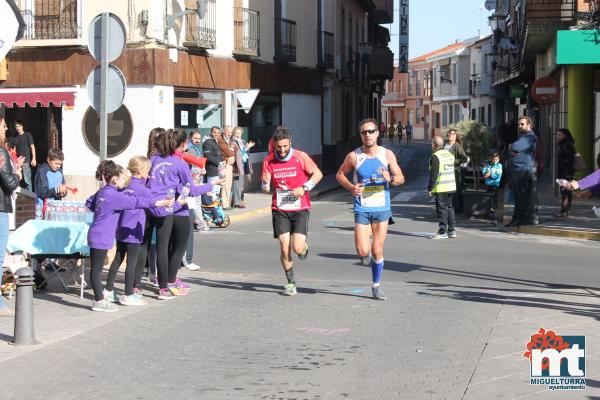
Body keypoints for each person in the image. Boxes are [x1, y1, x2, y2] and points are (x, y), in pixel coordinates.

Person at [86, 160, 172, 312]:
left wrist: (104, 214)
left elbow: (89, 203)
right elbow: (135, 201)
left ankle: (102, 296)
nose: (125, 180)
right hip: (101, 236)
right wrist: (158, 203)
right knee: (97, 271)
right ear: (114, 179)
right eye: (122, 177)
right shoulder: (113, 195)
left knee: (97, 269)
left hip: (97, 233)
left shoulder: (103, 191)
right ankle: (99, 301)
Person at [336, 118, 405, 300]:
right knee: (363, 251)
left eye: (371, 131)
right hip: (362, 208)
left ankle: (376, 286)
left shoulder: (387, 154)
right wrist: (351, 187)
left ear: (377, 133)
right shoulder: (354, 156)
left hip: (382, 208)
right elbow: (340, 174)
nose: (367, 135)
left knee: (377, 250)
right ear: (360, 135)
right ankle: (365, 255)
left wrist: (389, 178)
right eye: (364, 132)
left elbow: (400, 179)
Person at [147, 129, 216, 300]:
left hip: (153, 206)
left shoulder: (153, 159)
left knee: (160, 247)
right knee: (176, 247)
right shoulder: (179, 163)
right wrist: (211, 185)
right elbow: (191, 190)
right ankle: (167, 285)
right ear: (184, 143)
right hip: (173, 207)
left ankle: (164, 284)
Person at [262, 126, 323, 296]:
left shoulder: (300, 157)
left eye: (285, 146)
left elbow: (318, 174)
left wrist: (304, 188)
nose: (282, 150)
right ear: (274, 145)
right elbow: (265, 186)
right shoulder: (269, 160)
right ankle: (290, 282)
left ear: (290, 143)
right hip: (280, 208)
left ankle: (303, 248)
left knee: (297, 247)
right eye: (278, 147)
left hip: (300, 207)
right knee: (284, 247)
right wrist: (265, 184)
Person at [103, 156, 156, 306]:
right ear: (140, 171)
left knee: (118, 259)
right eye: (147, 169)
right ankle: (128, 294)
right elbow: (154, 204)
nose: (149, 172)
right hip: (134, 230)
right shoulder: (143, 189)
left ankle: (108, 290)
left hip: (121, 228)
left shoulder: (124, 184)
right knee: (131, 263)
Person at [0, 111, 22, 317]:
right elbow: (8, 184)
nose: (6, 128)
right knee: (0, 258)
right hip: (0, 209)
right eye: (4, 125)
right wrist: (17, 173)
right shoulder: (1, 152)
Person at [506, 116, 537, 227]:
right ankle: (516, 218)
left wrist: (512, 148)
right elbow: (512, 150)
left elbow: (515, 147)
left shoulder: (529, 136)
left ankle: (521, 218)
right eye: (519, 124)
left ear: (529, 125)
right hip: (517, 168)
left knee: (522, 196)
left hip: (523, 169)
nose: (520, 126)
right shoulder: (523, 136)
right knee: (517, 196)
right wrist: (512, 150)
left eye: (522, 124)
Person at [428, 136, 457, 239]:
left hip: (441, 187)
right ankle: (451, 230)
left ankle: (442, 231)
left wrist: (430, 188)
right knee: (450, 207)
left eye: (432, 143)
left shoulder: (435, 156)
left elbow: (434, 174)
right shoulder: (449, 154)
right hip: (451, 185)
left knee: (442, 209)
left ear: (434, 145)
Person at [444, 129, 468, 213]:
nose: (450, 134)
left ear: (456, 136)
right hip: (444, 172)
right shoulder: (444, 145)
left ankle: (456, 209)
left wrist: (453, 162)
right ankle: (447, 208)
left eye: (453, 134)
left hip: (454, 172)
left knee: (455, 191)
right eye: (449, 133)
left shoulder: (457, 146)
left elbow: (464, 158)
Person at [231, 126, 255, 208]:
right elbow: (239, 153)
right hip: (237, 165)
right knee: (236, 184)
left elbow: (245, 152)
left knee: (240, 184)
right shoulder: (233, 142)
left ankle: (239, 200)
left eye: (239, 133)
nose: (238, 135)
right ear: (233, 133)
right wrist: (247, 147)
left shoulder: (242, 141)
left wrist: (247, 147)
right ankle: (236, 203)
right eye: (236, 133)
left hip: (243, 164)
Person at [556, 128, 576, 217]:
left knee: (565, 192)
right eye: (557, 134)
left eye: (559, 135)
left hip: (566, 173)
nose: (557, 136)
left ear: (565, 135)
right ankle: (565, 210)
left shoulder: (568, 146)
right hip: (562, 173)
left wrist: (567, 173)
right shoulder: (563, 145)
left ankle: (564, 211)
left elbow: (570, 161)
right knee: (565, 192)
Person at [13, 120, 36, 191]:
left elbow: (32, 147)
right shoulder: (15, 137)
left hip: (26, 162)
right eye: (16, 126)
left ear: (22, 126)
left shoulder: (27, 135)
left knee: (27, 181)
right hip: (18, 163)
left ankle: (31, 199)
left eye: (19, 126)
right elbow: (14, 150)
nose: (17, 128)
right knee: (19, 181)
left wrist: (34, 159)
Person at [203, 126, 225, 197]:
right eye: (215, 132)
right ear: (211, 132)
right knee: (212, 192)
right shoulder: (208, 142)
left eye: (218, 133)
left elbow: (218, 155)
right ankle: (212, 207)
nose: (216, 134)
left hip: (217, 170)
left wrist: (222, 161)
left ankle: (216, 206)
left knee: (217, 191)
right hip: (212, 171)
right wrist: (219, 163)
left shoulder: (215, 142)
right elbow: (208, 156)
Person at [217, 125, 236, 209]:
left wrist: (233, 150)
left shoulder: (230, 140)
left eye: (231, 132)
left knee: (229, 184)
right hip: (224, 164)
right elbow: (228, 152)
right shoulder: (220, 139)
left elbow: (236, 149)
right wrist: (231, 151)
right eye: (228, 132)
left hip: (230, 165)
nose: (230, 134)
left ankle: (226, 202)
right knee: (225, 184)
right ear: (224, 131)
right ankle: (224, 204)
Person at [482, 152, 503, 217]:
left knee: (494, 200)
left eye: (496, 159)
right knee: (487, 198)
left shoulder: (499, 166)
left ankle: (493, 213)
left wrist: (490, 175)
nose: (494, 161)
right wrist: (485, 173)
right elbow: (484, 170)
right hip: (488, 184)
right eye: (493, 159)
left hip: (495, 185)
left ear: (498, 159)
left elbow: (497, 175)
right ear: (491, 159)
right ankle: (487, 211)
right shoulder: (488, 164)